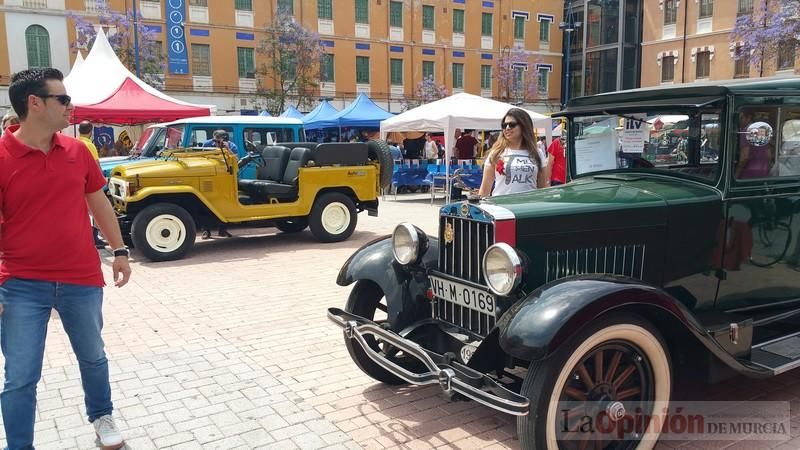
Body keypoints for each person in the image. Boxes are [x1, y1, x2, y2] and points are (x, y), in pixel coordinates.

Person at [0, 68, 132, 449]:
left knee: (93, 357)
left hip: (81, 277)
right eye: (63, 99)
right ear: (35, 103)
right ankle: (20, 444)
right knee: (21, 374)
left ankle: (102, 416)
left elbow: (99, 204)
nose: (70, 107)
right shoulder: (3, 156)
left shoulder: (77, 151)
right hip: (21, 282)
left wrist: (120, 250)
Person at [478, 108, 549, 197]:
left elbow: (543, 187)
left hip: (529, 207)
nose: (507, 128)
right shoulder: (496, 153)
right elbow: (485, 188)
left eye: (512, 124)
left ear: (524, 126)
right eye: (504, 125)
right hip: (502, 207)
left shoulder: (537, 153)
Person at [201, 130, 235, 239]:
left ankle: (223, 230)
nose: (215, 143)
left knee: (225, 203)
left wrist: (227, 149)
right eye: (214, 140)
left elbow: (235, 160)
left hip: (226, 177)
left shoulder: (232, 146)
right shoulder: (207, 144)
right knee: (207, 204)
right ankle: (206, 230)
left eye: (218, 140)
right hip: (210, 176)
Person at [78, 120, 106, 249]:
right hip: (90, 182)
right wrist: (102, 179)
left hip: (79, 181)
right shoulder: (89, 145)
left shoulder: (76, 142)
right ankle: (95, 237)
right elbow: (96, 165)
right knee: (95, 210)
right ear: (91, 132)